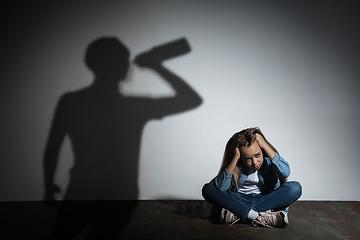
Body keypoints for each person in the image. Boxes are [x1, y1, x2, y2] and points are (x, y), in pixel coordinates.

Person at [202, 127, 302, 228]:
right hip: (239, 200)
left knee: (295, 187)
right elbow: (222, 188)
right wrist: (235, 158)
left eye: (257, 155)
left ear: (262, 150)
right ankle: (258, 216)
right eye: (247, 159)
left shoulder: (268, 162)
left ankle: (240, 214)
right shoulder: (237, 165)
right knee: (208, 189)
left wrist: (265, 145)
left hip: (265, 200)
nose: (254, 162)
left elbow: (286, 172)